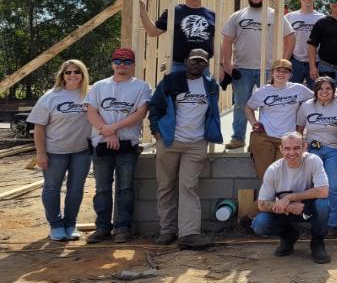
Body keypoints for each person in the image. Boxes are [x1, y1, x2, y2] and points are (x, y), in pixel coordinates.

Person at [148, 49, 222, 250]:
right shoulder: (171, 81)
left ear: (205, 65)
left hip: (196, 143)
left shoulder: (210, 85)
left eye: (201, 62)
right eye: (193, 61)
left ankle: (189, 234)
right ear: (185, 61)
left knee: (188, 186)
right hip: (170, 141)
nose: (197, 64)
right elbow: (155, 107)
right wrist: (157, 134)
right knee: (166, 186)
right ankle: (167, 231)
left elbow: (212, 111)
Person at [84, 48, 152, 244]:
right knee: (102, 188)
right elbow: (91, 112)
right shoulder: (99, 86)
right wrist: (107, 131)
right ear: (112, 63)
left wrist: (114, 128)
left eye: (127, 61)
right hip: (102, 143)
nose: (122, 65)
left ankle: (123, 228)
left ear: (133, 64)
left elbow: (140, 114)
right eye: (118, 61)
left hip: (127, 145)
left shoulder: (141, 86)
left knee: (125, 188)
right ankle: (102, 228)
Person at [222, 0, 295, 149]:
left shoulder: (274, 15)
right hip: (242, 68)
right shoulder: (237, 16)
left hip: (269, 69)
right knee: (241, 104)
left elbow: (291, 38)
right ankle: (238, 138)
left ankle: (264, 138)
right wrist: (227, 63)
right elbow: (227, 41)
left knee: (268, 104)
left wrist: (284, 62)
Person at [26, 60, 92, 241]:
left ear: (83, 73)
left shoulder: (91, 94)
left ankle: (70, 224)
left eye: (77, 71)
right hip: (55, 151)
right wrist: (41, 153)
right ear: (62, 75)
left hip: (82, 151)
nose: (72, 75)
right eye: (68, 72)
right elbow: (39, 127)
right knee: (52, 188)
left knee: (76, 189)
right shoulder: (51, 96)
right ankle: (55, 225)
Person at [252, 132, 330, 264]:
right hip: (284, 211)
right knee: (260, 224)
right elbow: (261, 204)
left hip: (308, 208)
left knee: (323, 205)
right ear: (281, 149)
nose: (291, 153)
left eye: (296, 148)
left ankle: (317, 242)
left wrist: (290, 197)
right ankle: (288, 236)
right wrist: (288, 207)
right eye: (287, 148)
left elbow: (323, 191)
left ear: (304, 147)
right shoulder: (273, 170)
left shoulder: (313, 161)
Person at [245, 59, 314, 179]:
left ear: (290, 74)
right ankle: (268, 198)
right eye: (278, 70)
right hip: (265, 136)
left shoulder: (298, 89)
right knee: (265, 175)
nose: (281, 74)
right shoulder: (262, 91)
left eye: (285, 71)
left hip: (287, 139)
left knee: (283, 175)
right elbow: (248, 107)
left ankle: (280, 198)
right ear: (272, 72)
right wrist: (254, 123)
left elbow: (318, 97)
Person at [296, 77, 337, 237]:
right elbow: (299, 130)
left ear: (333, 91)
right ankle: (315, 222)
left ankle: (332, 224)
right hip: (313, 148)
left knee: (334, 186)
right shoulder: (306, 106)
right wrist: (299, 151)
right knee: (314, 186)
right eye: (321, 89)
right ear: (315, 91)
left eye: (328, 89)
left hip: (335, 149)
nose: (324, 92)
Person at [139, 0, 215, 73]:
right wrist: (142, 11)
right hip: (178, 65)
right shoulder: (174, 11)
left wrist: (222, 64)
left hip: (202, 65)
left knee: (202, 88)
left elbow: (216, 41)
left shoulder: (211, 15)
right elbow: (153, 32)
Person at [285, 0, 325, 89]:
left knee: (315, 94)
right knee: (291, 94)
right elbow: (284, 40)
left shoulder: (322, 18)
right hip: (295, 61)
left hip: (316, 62)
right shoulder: (289, 17)